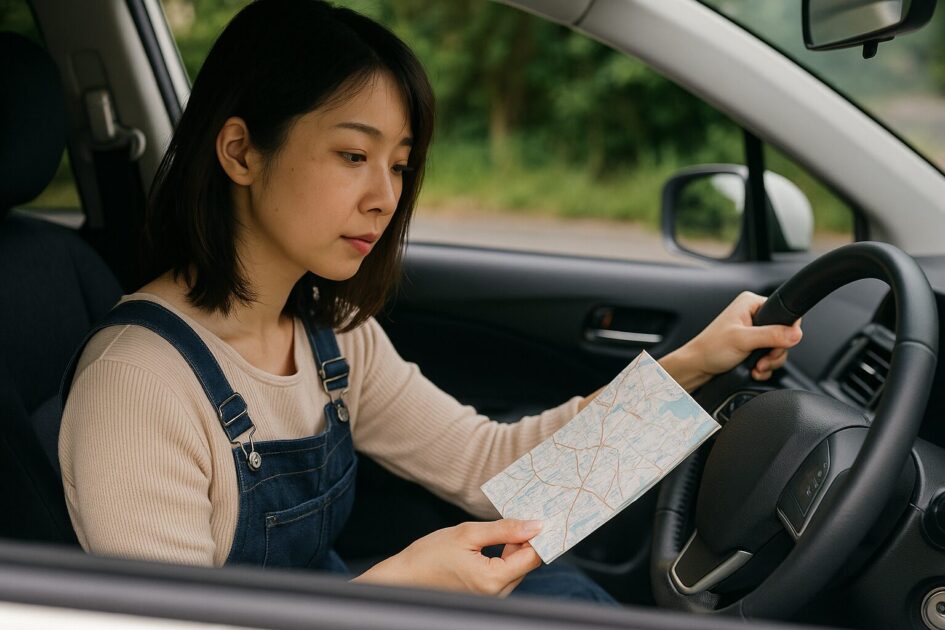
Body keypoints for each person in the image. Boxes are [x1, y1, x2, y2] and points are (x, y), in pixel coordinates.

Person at [58, 0, 802, 603]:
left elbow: (491, 471)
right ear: (241, 151)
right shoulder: (138, 383)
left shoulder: (330, 339)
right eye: (353, 156)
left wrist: (697, 365)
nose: (384, 199)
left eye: (400, 166)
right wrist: (397, 588)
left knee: (562, 596)